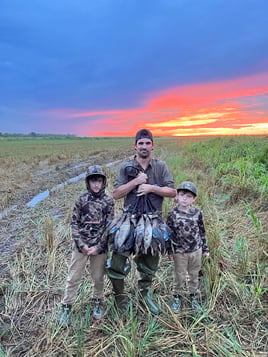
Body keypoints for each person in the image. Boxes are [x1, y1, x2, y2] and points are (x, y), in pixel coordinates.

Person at [106, 129, 176, 315]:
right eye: (140, 143)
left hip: (153, 219)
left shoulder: (160, 166)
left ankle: (145, 294)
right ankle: (120, 298)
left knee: (150, 261)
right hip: (129, 218)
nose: (144, 146)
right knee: (117, 260)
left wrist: (152, 188)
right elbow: (115, 194)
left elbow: (172, 192)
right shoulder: (125, 167)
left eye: (147, 143)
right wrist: (136, 181)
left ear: (153, 145)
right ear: (135, 146)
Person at [59, 165, 114, 326]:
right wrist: (81, 244)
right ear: (87, 182)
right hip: (80, 246)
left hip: (99, 248)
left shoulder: (108, 201)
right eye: (92, 181)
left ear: (103, 181)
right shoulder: (81, 199)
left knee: (98, 278)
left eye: (99, 180)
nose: (96, 184)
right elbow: (74, 223)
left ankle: (98, 301)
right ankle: (66, 306)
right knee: (73, 277)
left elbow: (110, 226)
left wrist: (98, 246)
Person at [166, 181, 209, 313]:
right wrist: (169, 251)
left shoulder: (197, 213)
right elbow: (168, 234)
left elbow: (202, 231)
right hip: (180, 252)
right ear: (177, 196)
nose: (185, 198)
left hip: (196, 251)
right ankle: (177, 297)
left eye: (189, 196)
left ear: (194, 199)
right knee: (179, 276)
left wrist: (205, 249)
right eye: (182, 194)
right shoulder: (172, 214)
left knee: (193, 275)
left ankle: (193, 297)